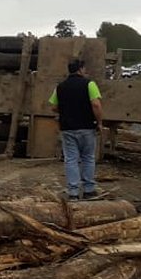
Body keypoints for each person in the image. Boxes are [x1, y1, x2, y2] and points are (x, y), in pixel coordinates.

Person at [48, 58, 104, 200]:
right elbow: (96, 105)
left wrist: (67, 110)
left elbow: (53, 106)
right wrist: (99, 122)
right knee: (88, 158)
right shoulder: (89, 84)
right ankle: (88, 190)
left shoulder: (60, 86)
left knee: (71, 159)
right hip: (86, 126)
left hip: (67, 128)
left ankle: (73, 192)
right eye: (84, 68)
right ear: (80, 69)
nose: (85, 71)